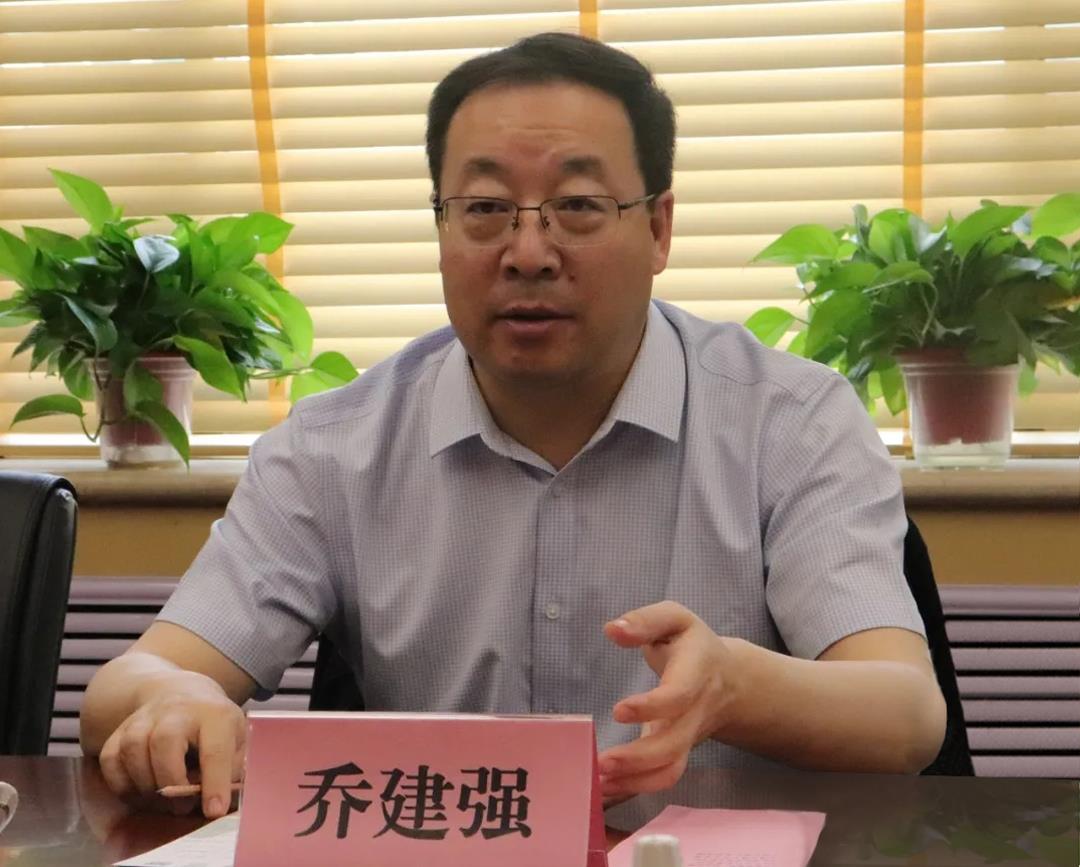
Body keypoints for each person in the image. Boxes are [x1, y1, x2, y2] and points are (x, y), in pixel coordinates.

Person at [80, 32, 946, 819]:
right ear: (441, 227)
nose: (528, 253)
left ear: (658, 228)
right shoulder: (333, 448)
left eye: (579, 206)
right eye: (486, 208)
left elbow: (904, 716)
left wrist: (735, 686)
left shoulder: (789, 422)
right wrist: (174, 698)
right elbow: (129, 682)